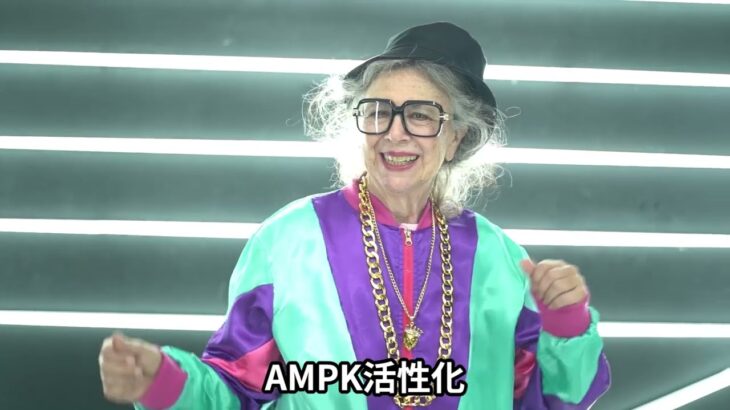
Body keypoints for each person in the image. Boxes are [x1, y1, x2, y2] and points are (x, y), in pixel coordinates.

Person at [98, 22, 610, 409]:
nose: (395, 132)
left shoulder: (499, 257)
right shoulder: (289, 241)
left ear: (456, 137)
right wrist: (163, 381)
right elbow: (235, 391)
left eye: (421, 115)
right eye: (378, 111)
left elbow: (554, 400)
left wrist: (566, 324)